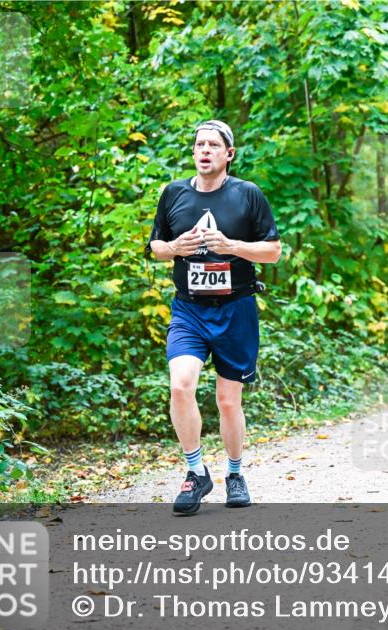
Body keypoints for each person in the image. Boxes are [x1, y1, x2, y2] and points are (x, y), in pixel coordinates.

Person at [146, 120, 282, 515]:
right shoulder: (173, 193)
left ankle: (235, 474)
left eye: (213, 145)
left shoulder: (248, 195)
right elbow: (155, 246)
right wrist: (173, 247)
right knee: (180, 385)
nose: (204, 150)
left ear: (229, 154)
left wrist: (232, 246)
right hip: (189, 309)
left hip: (236, 309)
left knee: (227, 401)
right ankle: (195, 472)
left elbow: (272, 251)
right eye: (199, 144)